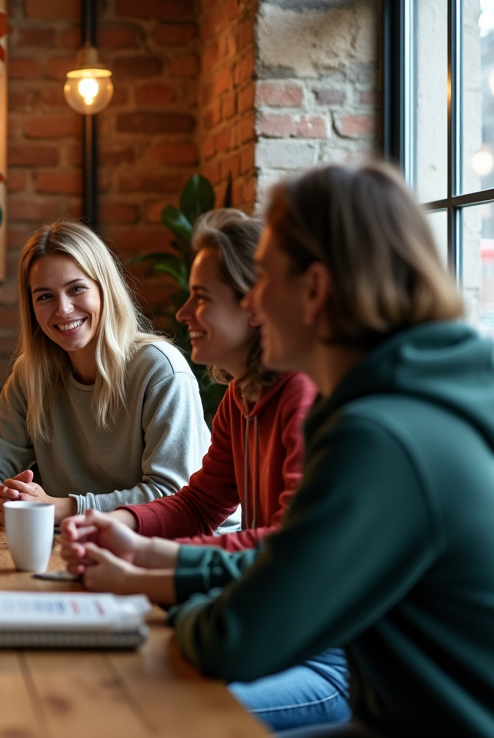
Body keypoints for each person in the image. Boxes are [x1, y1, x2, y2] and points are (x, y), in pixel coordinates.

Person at [61, 163, 494, 737]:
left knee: (132, 711)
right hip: (389, 716)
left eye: (265, 278)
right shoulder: (383, 413)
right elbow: (285, 561)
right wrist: (153, 562)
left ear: (315, 290)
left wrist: (161, 592)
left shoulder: (382, 435)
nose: (254, 303)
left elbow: (236, 637)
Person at [109, 209, 344, 731]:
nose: (183, 311)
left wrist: (148, 560)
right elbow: (201, 504)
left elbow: (287, 541)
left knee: (156, 709)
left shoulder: (303, 393)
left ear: (254, 304)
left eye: (201, 297)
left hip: (329, 656)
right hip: (273, 625)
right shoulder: (240, 397)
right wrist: (119, 523)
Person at [0, 218, 211, 527]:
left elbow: (175, 496)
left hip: (187, 541)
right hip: (83, 540)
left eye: (76, 289)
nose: (63, 309)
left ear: (105, 289)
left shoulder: (160, 369)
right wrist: (1, 502)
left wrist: (64, 508)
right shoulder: (30, 375)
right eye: (44, 296)